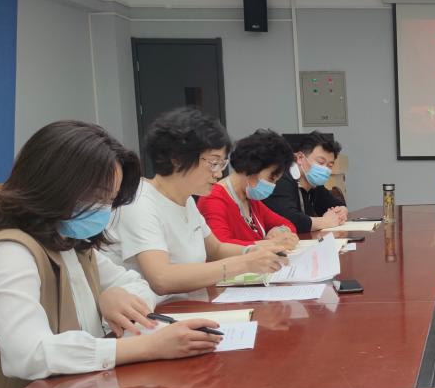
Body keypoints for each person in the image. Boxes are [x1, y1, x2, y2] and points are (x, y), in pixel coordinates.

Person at [0, 121, 221, 388]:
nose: (104, 209)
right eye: (97, 196)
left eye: (110, 199)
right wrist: (148, 347)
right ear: (52, 183)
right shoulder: (10, 252)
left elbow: (139, 285)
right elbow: (29, 354)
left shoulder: (72, 242)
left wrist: (114, 296)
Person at [106, 108, 288, 296]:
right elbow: (161, 278)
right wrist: (245, 263)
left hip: (191, 304)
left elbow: (216, 249)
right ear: (177, 160)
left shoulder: (186, 200)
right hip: (156, 310)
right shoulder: (139, 203)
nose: (219, 173)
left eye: (222, 164)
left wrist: (253, 252)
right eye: (213, 163)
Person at [197, 129, 301, 248]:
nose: (273, 186)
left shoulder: (250, 199)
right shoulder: (213, 199)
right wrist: (271, 243)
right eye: (271, 179)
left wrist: (281, 231)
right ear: (252, 167)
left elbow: (288, 224)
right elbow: (221, 247)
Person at [262, 132, 348, 233]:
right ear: (300, 158)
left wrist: (342, 210)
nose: (325, 169)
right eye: (320, 162)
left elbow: (333, 204)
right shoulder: (280, 180)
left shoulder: (313, 183)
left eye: (330, 165)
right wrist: (325, 221)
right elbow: (290, 220)